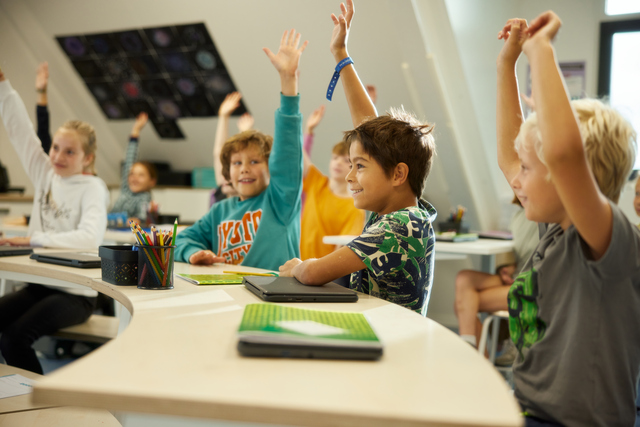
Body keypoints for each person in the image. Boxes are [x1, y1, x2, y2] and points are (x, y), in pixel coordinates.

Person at [497, 13, 639, 426]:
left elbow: (561, 156)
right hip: (529, 408)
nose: (516, 181)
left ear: (567, 181)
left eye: (528, 170)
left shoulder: (611, 243)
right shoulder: (554, 230)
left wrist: (540, 51)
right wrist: (507, 64)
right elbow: (510, 154)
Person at [279, 0, 437, 316]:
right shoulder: (396, 210)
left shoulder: (400, 226)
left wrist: (299, 265)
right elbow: (368, 129)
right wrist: (341, 54)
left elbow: (313, 273)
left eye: (359, 166)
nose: (351, 175)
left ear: (398, 175)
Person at [0, 66, 109, 374]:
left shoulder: (93, 188)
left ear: (87, 158)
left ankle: (36, 404)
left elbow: (89, 239)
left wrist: (33, 239)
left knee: (13, 339)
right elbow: (19, 130)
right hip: (41, 284)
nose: (58, 156)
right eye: (56, 148)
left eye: (69, 152)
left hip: (76, 293)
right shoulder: (45, 173)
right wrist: (4, 87)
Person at [175, 29, 307, 271]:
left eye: (255, 162)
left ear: (271, 167)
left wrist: (288, 82)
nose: (245, 169)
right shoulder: (220, 211)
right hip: (229, 295)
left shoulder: (280, 200)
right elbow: (180, 240)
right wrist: (194, 254)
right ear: (228, 172)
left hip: (273, 297)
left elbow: (288, 150)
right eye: (237, 163)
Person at [454, 197, 538, 352]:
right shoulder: (519, 216)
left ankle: (475, 358)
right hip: (516, 275)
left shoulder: (546, 216)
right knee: (464, 279)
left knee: (464, 304)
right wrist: (507, 267)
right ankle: (474, 353)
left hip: (533, 282)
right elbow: (523, 252)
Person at [300, 105, 365, 260]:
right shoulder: (317, 181)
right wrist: (308, 130)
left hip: (323, 276)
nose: (338, 163)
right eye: (335, 158)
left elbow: (340, 252)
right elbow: (300, 156)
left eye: (345, 161)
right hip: (299, 262)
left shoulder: (354, 208)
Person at [110, 112, 157, 224]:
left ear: (151, 181)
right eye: (132, 174)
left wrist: (137, 220)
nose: (134, 178)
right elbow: (129, 159)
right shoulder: (126, 189)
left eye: (141, 175)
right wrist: (135, 130)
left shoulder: (145, 198)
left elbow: (141, 218)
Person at [210, 92, 254, 206]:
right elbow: (219, 153)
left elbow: (243, 158)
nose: (224, 175)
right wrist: (223, 117)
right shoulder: (221, 195)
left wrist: (245, 134)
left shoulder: (254, 202)